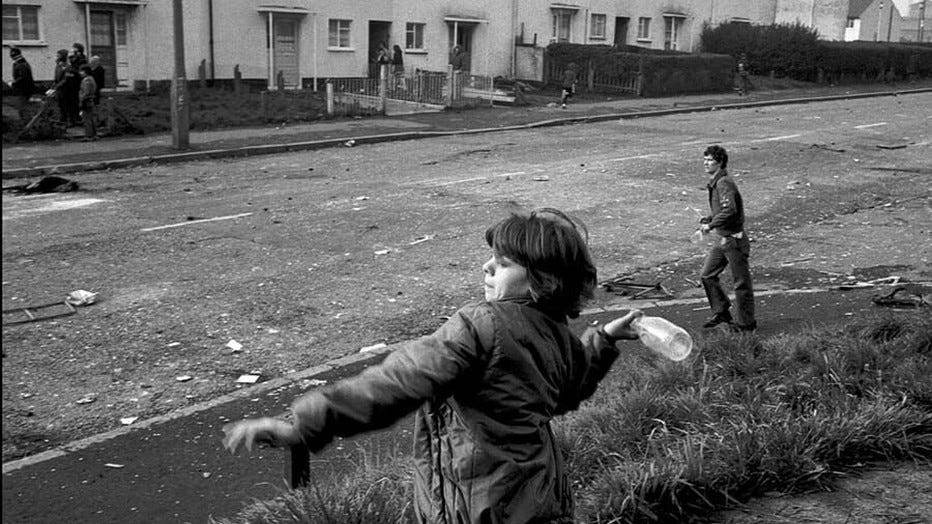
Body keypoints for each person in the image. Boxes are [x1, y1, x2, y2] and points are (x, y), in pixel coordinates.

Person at [222, 207, 646, 523]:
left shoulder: (479, 323)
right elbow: (570, 391)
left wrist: (306, 423)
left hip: (474, 503)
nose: (486, 266)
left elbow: (399, 381)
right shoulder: (557, 333)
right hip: (539, 494)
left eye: (503, 263)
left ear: (542, 278)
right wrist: (605, 340)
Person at [698, 145, 756, 332]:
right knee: (707, 275)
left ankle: (747, 324)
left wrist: (711, 225)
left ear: (720, 162)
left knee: (741, 283)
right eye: (705, 159)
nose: (705, 163)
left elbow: (730, 210)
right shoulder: (716, 182)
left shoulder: (723, 182)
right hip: (722, 238)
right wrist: (709, 219)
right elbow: (722, 209)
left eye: (710, 160)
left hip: (733, 240)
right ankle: (721, 311)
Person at [77, 65, 98, 141]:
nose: (80, 73)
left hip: (86, 101)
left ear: (85, 71)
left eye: (81, 71)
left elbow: (86, 92)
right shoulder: (91, 79)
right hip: (90, 100)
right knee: (91, 118)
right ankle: (94, 134)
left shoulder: (86, 80)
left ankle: (88, 135)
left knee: (87, 119)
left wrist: (81, 99)